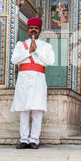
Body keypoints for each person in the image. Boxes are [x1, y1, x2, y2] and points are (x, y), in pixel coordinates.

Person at [11, 17, 55, 149]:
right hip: (23, 79)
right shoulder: (20, 45)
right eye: (31, 28)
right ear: (27, 30)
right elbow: (14, 60)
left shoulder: (46, 46)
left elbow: (50, 61)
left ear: (39, 31)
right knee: (23, 111)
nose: (33, 30)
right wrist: (28, 51)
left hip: (38, 80)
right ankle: (24, 139)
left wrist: (36, 51)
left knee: (37, 111)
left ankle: (34, 140)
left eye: (36, 28)